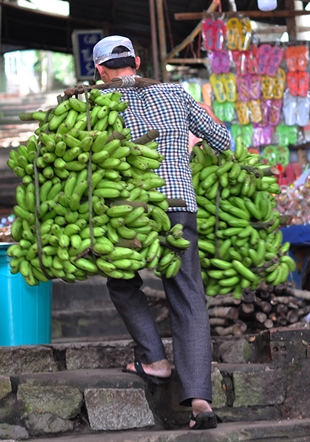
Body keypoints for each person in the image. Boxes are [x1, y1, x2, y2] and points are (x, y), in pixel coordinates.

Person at [92, 35, 230, 430]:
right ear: (137, 60)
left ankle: (154, 359)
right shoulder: (175, 94)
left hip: (130, 212)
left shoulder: (94, 103)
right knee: (187, 294)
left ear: (100, 70)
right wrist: (196, 125)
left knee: (121, 282)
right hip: (179, 206)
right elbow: (223, 141)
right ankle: (201, 403)